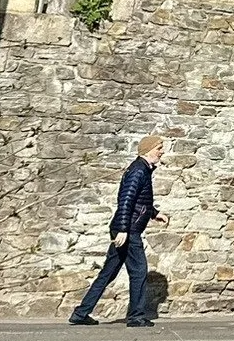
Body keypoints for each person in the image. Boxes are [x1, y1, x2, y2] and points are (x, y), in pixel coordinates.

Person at [68, 134, 167, 327]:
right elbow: (125, 200)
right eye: (159, 148)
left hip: (125, 228)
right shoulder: (139, 170)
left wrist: (154, 213)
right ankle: (136, 317)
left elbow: (139, 200)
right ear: (148, 150)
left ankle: (81, 313)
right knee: (139, 272)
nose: (162, 152)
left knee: (108, 273)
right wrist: (123, 229)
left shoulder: (143, 169)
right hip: (128, 231)